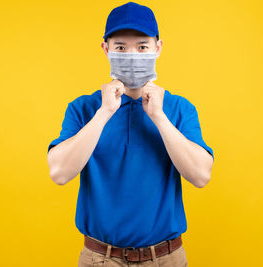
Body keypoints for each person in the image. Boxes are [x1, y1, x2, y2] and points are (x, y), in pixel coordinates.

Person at [47, 2, 214, 266]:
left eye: (142, 47)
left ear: (158, 48)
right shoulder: (83, 108)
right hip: (100, 258)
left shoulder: (179, 109)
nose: (133, 55)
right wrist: (104, 113)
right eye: (121, 48)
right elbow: (58, 173)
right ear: (106, 49)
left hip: (165, 258)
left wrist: (159, 117)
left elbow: (201, 175)